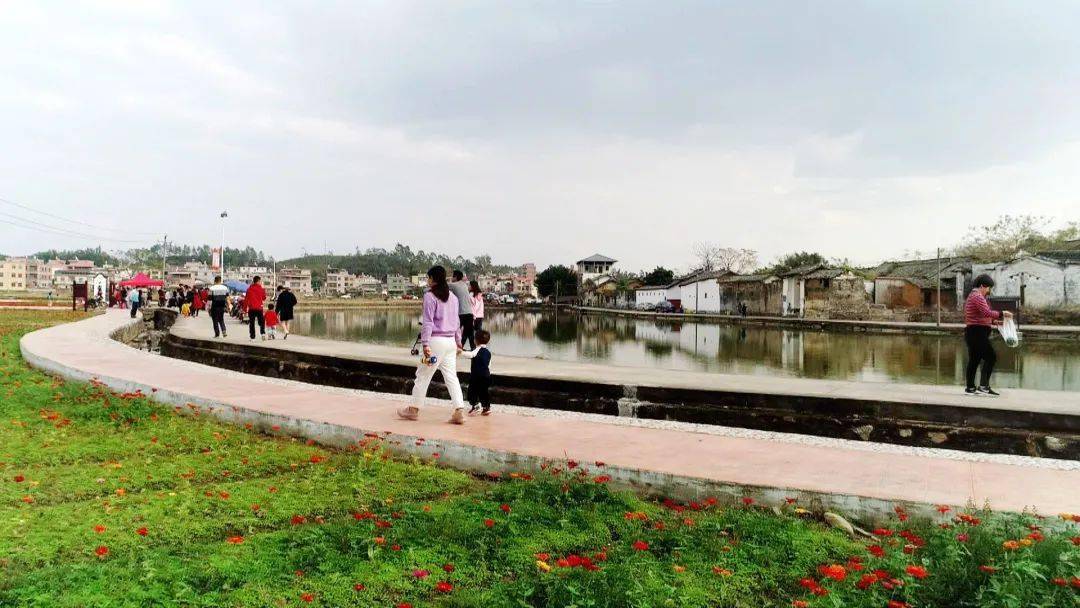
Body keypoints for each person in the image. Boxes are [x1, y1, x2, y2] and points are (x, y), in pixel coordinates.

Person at [398, 265, 466, 424]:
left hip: (435, 343)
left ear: (433, 279)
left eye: (428, 278)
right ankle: (459, 410)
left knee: (422, 375)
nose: (427, 281)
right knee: (451, 377)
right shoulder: (453, 298)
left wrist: (425, 343)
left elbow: (428, 322)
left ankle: (413, 409)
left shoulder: (430, 296)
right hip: (450, 343)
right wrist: (459, 342)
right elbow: (457, 322)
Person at [964, 274, 1012, 396]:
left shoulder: (973, 296)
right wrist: (1003, 313)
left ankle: (970, 388)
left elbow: (979, 316)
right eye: (988, 288)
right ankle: (984, 387)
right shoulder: (978, 296)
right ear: (982, 286)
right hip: (978, 333)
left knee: (974, 360)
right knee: (991, 357)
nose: (989, 291)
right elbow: (986, 312)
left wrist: (995, 322)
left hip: (974, 331)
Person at [460, 329, 492, 416]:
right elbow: (489, 365)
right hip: (486, 375)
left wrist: (460, 352)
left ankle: (476, 405)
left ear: (475, 340)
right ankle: (486, 407)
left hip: (476, 375)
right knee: (484, 392)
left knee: (472, 391)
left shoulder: (477, 349)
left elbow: (471, 354)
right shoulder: (488, 352)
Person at [449, 270, 475, 350]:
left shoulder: (454, 285)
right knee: (469, 333)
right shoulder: (464, 285)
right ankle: (472, 349)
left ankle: (456, 348)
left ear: (455, 277)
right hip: (469, 313)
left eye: (452, 276)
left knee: (455, 331)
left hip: (461, 313)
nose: (451, 278)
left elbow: (441, 286)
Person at [246, 275, 267, 340]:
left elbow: (246, 299)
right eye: (260, 281)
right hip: (259, 308)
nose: (261, 282)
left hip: (251, 308)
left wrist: (244, 309)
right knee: (262, 321)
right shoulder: (261, 289)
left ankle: (252, 337)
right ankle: (263, 333)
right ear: (258, 281)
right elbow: (264, 298)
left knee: (252, 323)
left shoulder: (249, 289)